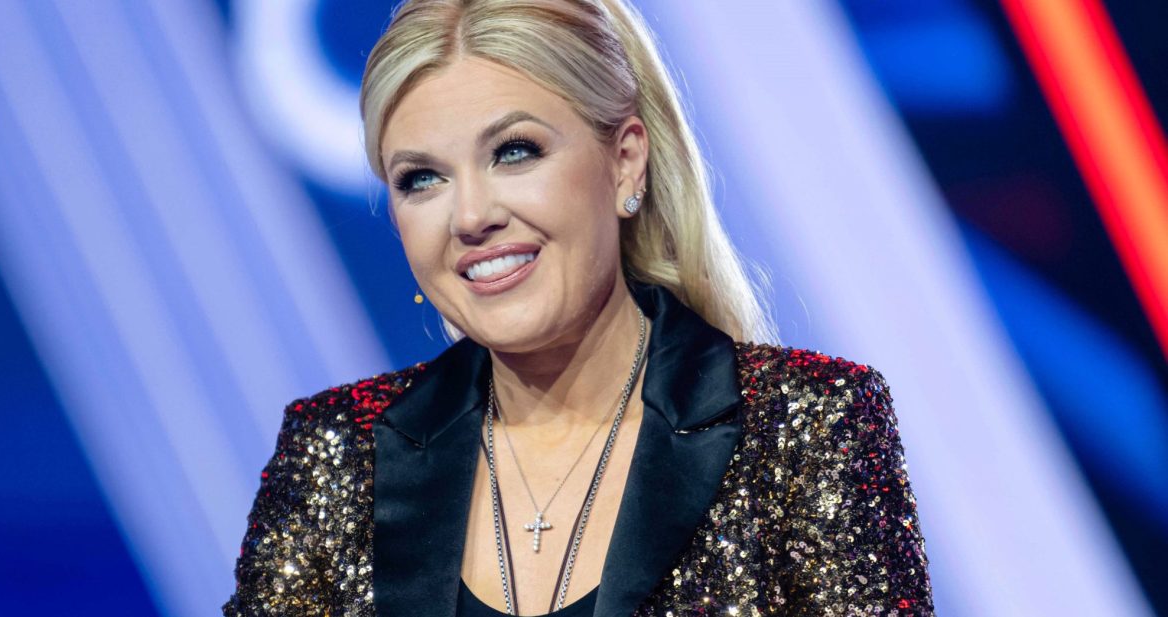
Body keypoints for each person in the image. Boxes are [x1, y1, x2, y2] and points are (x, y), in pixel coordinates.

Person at [222, 0, 935, 615]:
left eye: (514, 152)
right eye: (422, 179)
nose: (469, 216)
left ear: (625, 162)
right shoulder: (336, 457)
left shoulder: (804, 430)